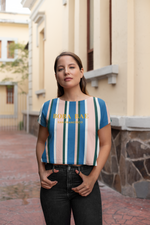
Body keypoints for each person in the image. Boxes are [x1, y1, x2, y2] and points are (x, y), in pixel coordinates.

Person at [36, 51, 111, 225]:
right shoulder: (49, 106)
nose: (66, 72)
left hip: (85, 177)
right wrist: (41, 171)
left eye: (71, 67)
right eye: (61, 69)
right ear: (56, 76)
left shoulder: (98, 105)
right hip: (54, 180)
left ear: (81, 71)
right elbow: (40, 141)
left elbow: (106, 144)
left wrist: (93, 177)